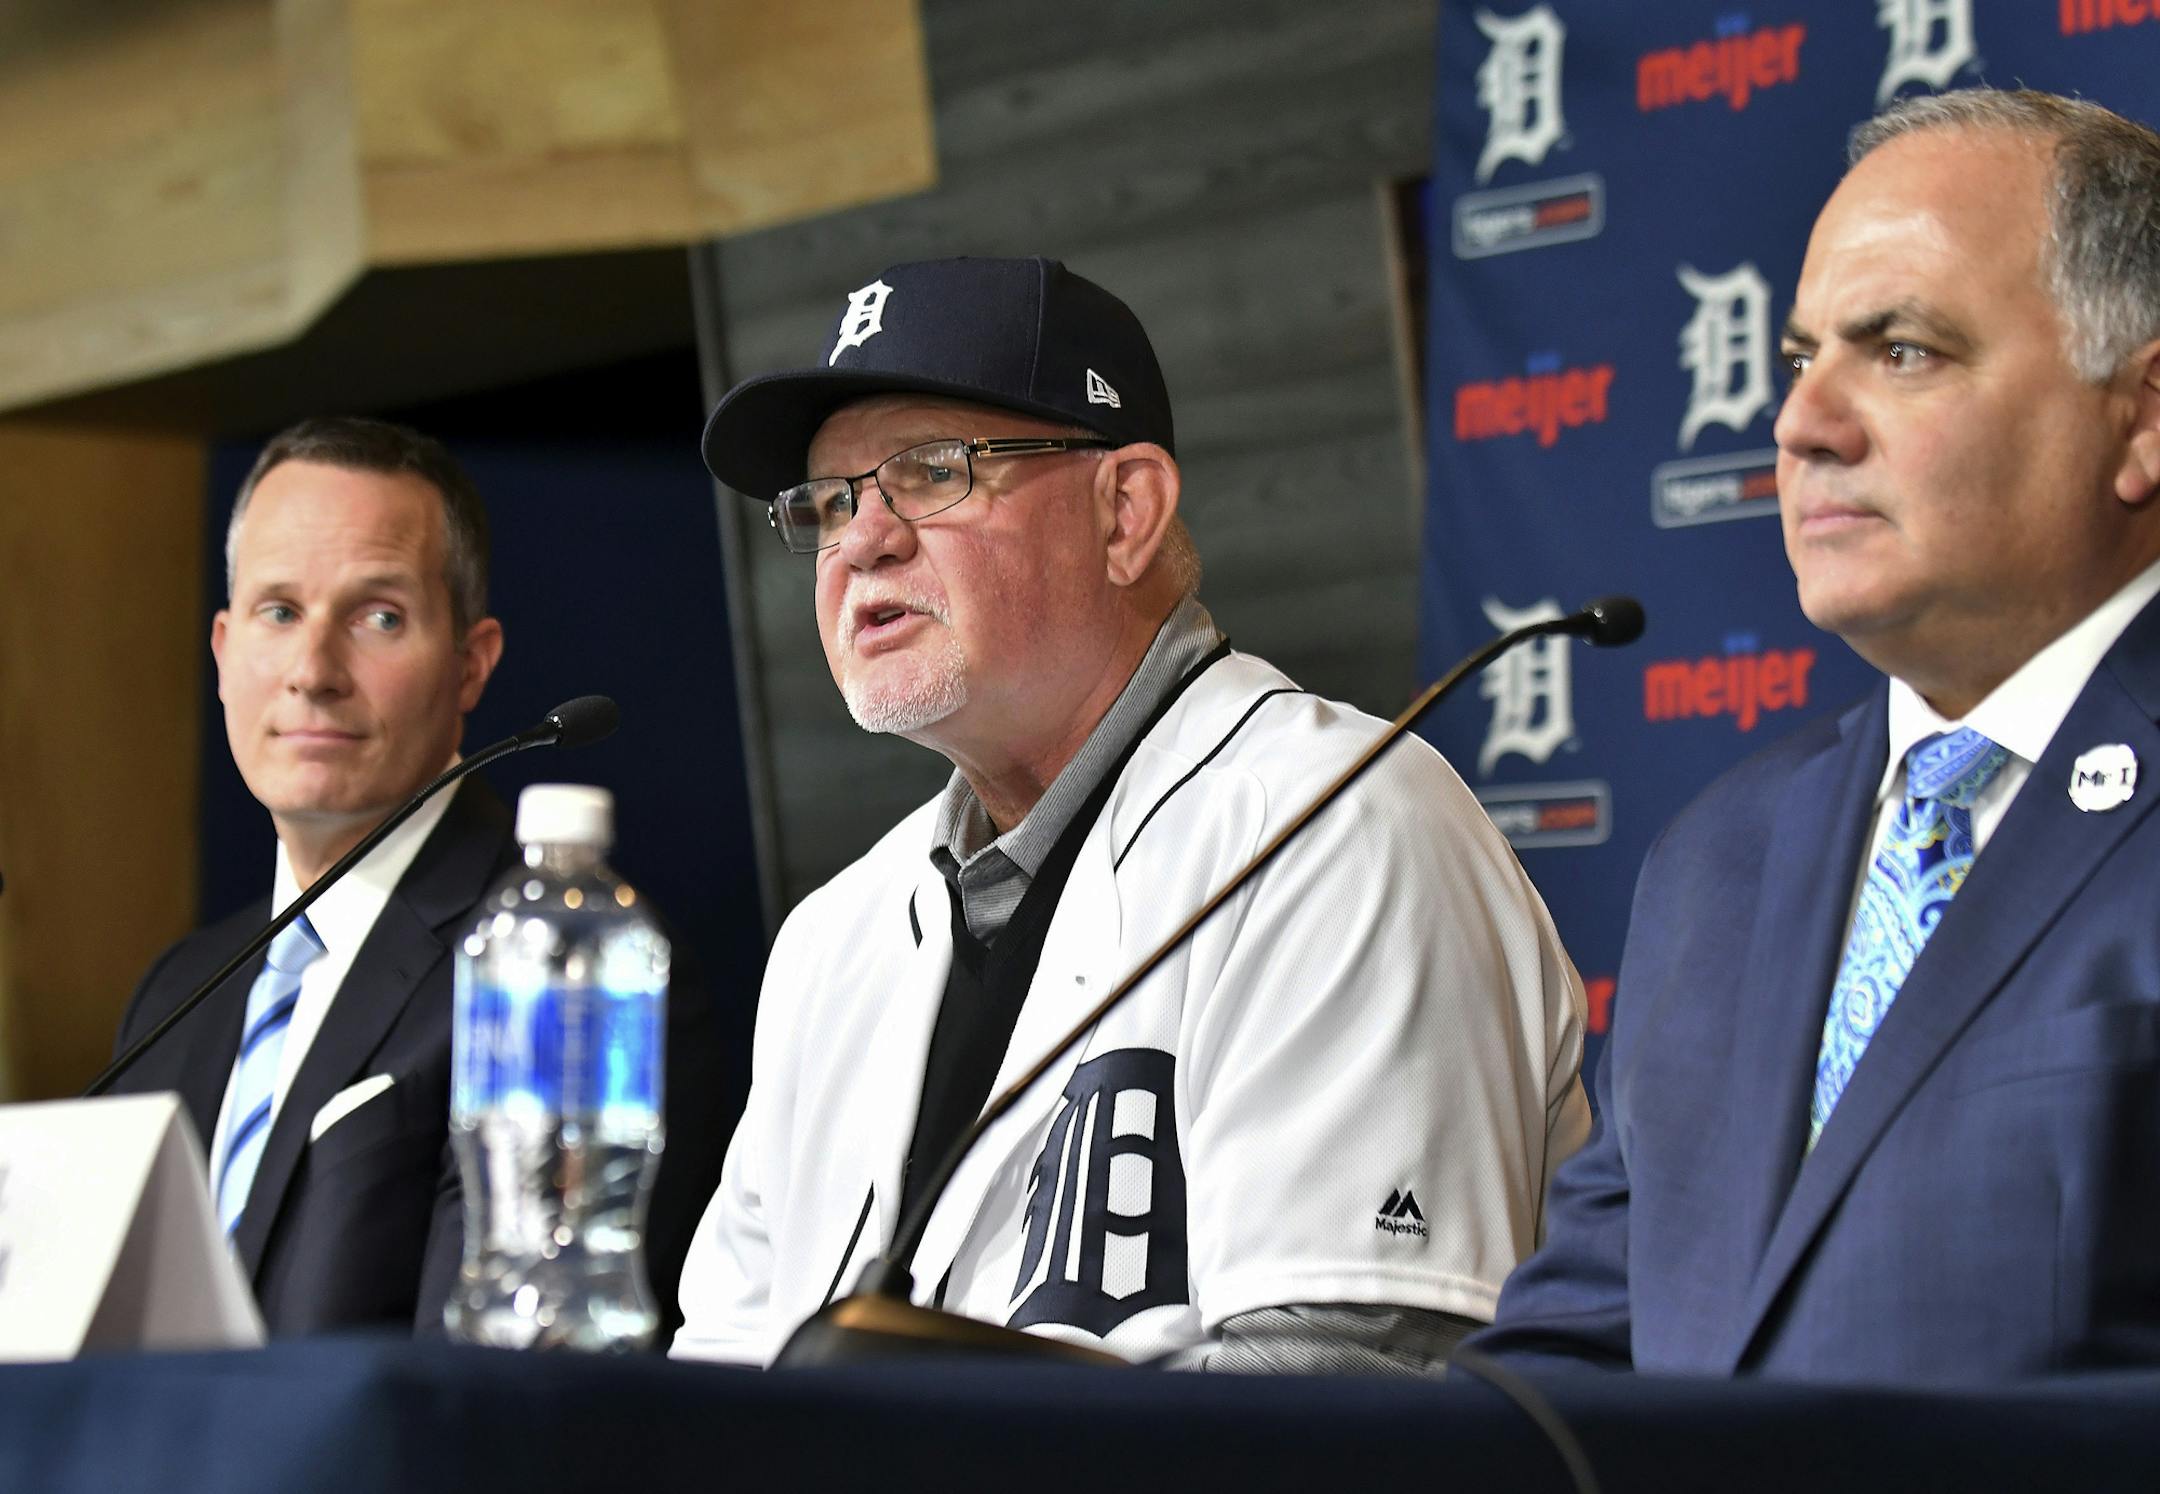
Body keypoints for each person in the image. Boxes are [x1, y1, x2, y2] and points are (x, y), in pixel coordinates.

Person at [672, 256, 1589, 1371]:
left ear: (1126, 511)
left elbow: (1356, 1397)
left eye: (929, 472)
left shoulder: (1340, 826)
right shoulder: (832, 939)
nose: (862, 538)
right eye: (826, 503)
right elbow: (717, 1377)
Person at [1472, 89, 2160, 1383]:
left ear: (2143, 416)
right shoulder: (1717, 856)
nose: (1801, 424)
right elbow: (1572, 1348)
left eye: (1901, 350)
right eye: (1800, 358)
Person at [111, 417, 725, 1340]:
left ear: (471, 664)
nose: (314, 673)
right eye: (280, 612)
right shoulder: (176, 993)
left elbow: (500, 1394)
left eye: (378, 617)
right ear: (224, 650)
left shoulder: (556, 972)